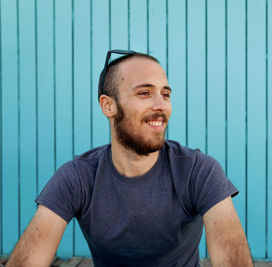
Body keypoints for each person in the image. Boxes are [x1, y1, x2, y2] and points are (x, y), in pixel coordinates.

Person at [6, 50, 253, 267]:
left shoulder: (198, 170)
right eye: (144, 93)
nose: (161, 105)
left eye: (165, 94)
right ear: (108, 106)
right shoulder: (78, 177)